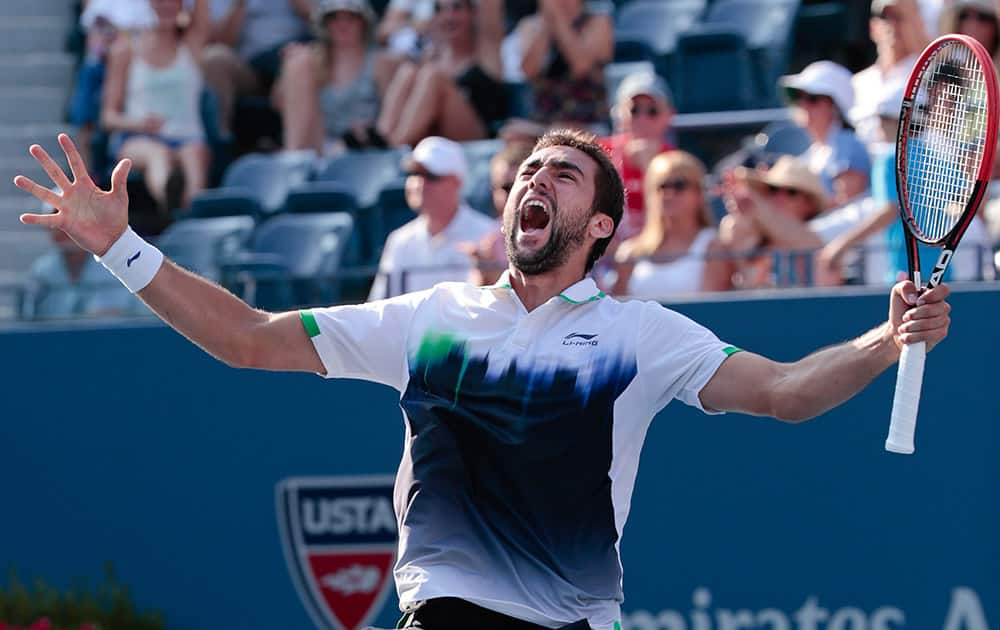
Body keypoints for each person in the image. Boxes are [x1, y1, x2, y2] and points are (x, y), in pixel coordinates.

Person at [14, 130, 951, 630]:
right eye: (530, 169)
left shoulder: (644, 335)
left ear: (598, 231)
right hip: (451, 618)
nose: (536, 179)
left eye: (567, 175)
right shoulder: (430, 320)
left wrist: (882, 339)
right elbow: (249, 337)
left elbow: (786, 392)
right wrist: (122, 249)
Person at [100, 0, 211, 213]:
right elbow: (108, 117)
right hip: (138, 139)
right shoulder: (125, 50)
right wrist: (139, 124)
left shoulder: (191, 44)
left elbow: (202, 11)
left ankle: (192, 214)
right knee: (158, 154)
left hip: (187, 138)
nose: (166, 5)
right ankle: (170, 201)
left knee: (194, 154)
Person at [368, 136, 497, 300]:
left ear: (456, 182)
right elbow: (380, 308)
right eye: (414, 174)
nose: (419, 183)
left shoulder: (489, 235)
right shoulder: (399, 241)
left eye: (431, 176)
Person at [374, 0, 506, 146]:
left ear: (473, 13)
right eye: (440, 10)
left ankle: (393, 147)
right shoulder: (432, 55)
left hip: (478, 136)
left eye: (457, 8)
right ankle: (381, 136)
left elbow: (491, 11)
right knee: (407, 71)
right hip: (435, 137)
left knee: (433, 76)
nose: (449, 16)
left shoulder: (486, 50)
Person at [271, 0, 381, 154]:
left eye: (351, 18)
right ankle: (295, 160)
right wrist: (286, 71)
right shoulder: (310, 62)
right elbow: (278, 104)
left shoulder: (381, 62)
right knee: (298, 63)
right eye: (334, 18)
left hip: (363, 148)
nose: (342, 25)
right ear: (325, 24)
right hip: (317, 145)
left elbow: (389, 119)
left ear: (363, 22)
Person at [706, 156, 829, 290]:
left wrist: (754, 202)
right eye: (773, 189)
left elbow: (809, 242)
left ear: (809, 204)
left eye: (791, 192)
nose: (780, 197)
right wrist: (742, 209)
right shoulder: (751, 233)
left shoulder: (821, 228)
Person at [611, 151, 715, 298]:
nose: (668, 193)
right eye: (661, 186)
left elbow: (712, 312)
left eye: (679, 185)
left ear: (699, 193)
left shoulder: (714, 246)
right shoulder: (630, 253)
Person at [200, 0, 312, 134]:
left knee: (298, 63)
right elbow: (224, 43)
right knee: (214, 58)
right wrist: (240, 5)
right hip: (251, 68)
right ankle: (220, 143)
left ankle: (300, 148)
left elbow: (326, 23)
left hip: (297, 59)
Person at [598, 71, 676, 240]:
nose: (642, 118)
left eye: (652, 111)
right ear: (619, 113)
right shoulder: (598, 153)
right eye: (634, 110)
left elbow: (676, 225)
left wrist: (650, 168)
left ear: (669, 116)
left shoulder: (677, 163)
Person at [777, 60, 871, 199]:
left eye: (813, 99)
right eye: (798, 97)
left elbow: (847, 203)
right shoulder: (813, 152)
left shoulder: (849, 146)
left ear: (835, 107)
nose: (803, 104)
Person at [514, 0, 614, 128]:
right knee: (511, 134)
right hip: (544, 122)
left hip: (588, 120)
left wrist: (557, 18)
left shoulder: (599, 22)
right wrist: (546, 23)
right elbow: (528, 70)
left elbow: (581, 66)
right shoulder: (530, 25)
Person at [850, 0, 925, 147]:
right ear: (872, 27)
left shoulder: (928, 74)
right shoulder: (858, 82)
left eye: (899, 16)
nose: (892, 24)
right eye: (884, 17)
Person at [22, 225, 135, 320]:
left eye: (71, 218)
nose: (65, 228)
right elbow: (30, 318)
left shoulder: (112, 265)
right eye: (56, 222)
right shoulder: (41, 270)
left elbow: (115, 317)